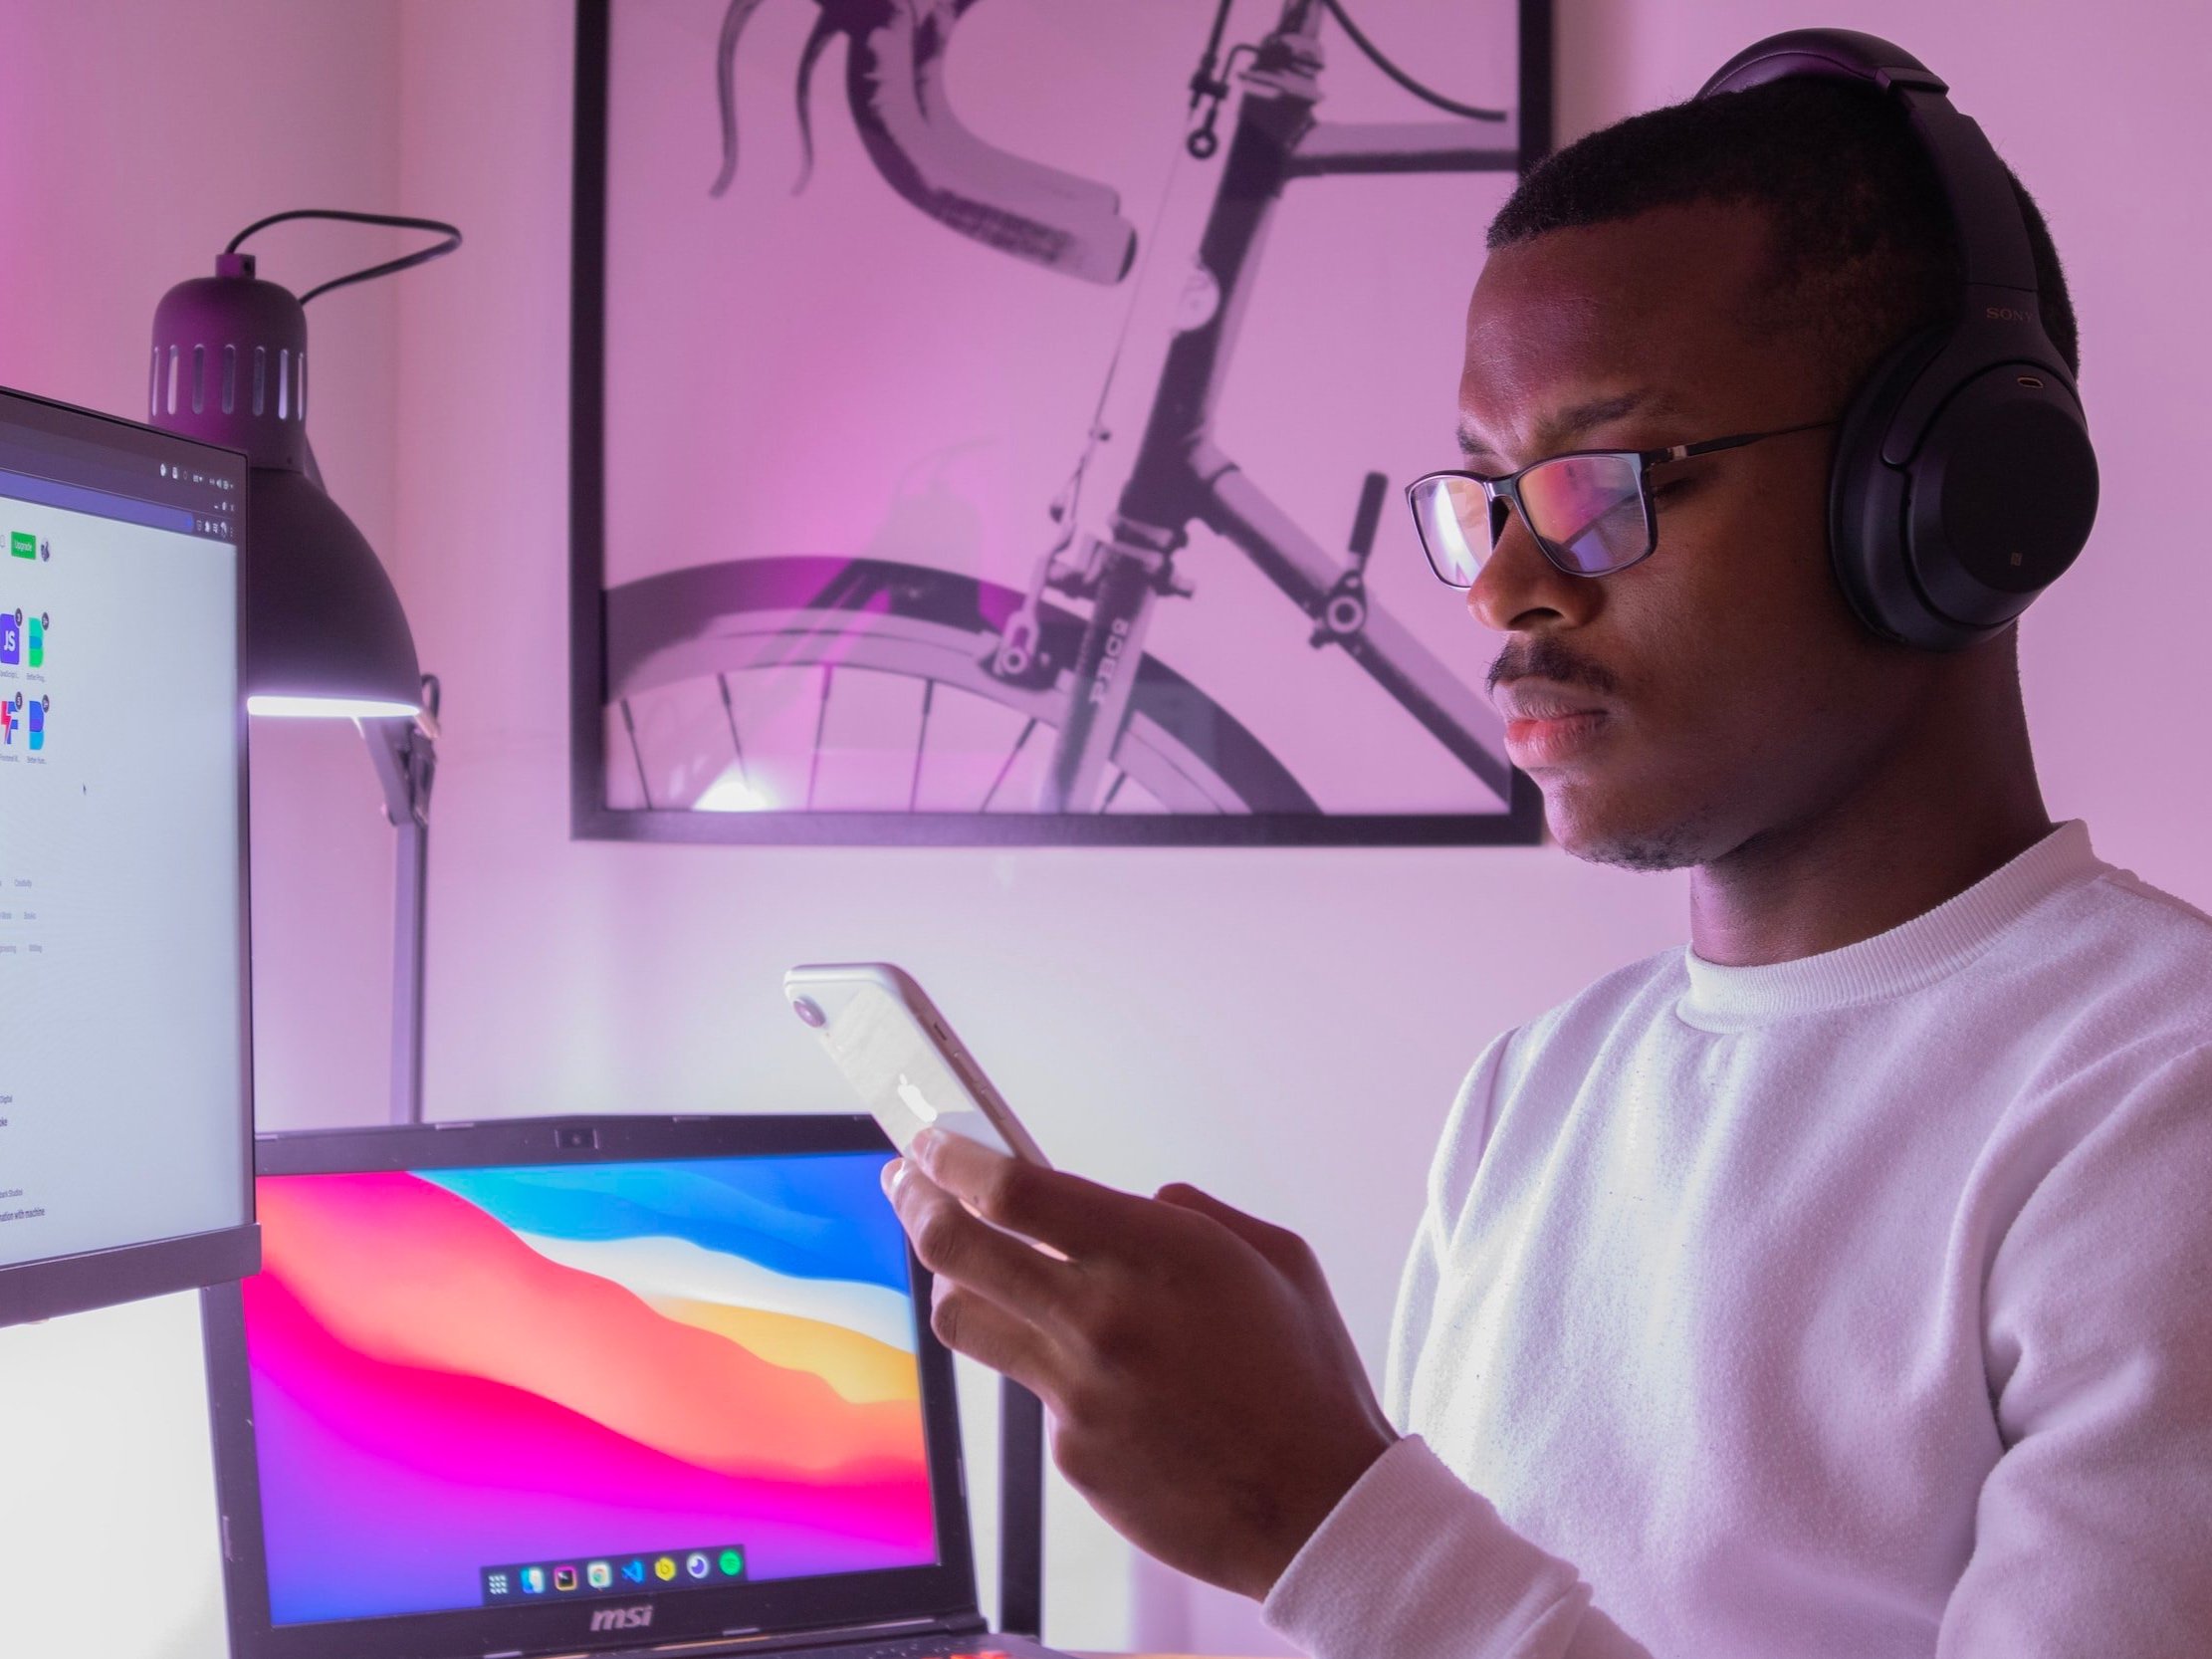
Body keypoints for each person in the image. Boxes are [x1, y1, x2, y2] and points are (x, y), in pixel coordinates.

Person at [881, 40, 2212, 1659]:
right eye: (1487, 493)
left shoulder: (2161, 1099)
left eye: (1601, 483)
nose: (1504, 582)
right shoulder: (1537, 1088)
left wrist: (1324, 1515)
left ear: (1937, 499)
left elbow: (1402, 1592)